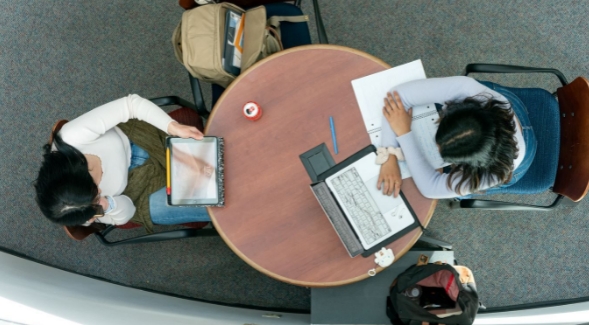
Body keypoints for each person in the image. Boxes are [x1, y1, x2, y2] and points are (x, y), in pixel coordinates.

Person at [34, 94, 210, 233]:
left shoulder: (73, 136)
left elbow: (130, 104)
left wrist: (173, 127)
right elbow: (128, 213)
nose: (101, 191)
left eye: (94, 191)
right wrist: (108, 205)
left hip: (136, 143)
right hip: (134, 192)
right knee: (208, 200)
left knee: (212, 160)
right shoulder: (81, 211)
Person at [376, 76, 537, 199]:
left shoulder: (497, 169)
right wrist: (389, 156)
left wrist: (404, 133)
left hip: (522, 155)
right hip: (508, 106)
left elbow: (430, 189)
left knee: (464, 192)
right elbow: (397, 96)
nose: (435, 148)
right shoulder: (466, 89)